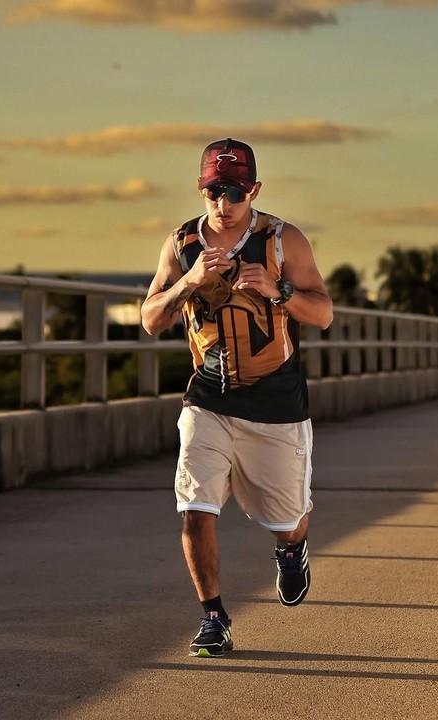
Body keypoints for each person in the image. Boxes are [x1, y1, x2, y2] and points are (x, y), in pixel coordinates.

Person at [141, 138, 333, 658]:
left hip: (275, 401)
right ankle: (213, 618)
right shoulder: (182, 244)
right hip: (208, 397)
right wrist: (189, 282)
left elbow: (323, 313)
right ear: (200, 189)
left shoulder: (281, 240)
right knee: (195, 508)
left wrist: (279, 292)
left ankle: (291, 551)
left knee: (288, 519)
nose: (222, 204)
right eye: (212, 191)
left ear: (254, 189)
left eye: (233, 192)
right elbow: (152, 319)